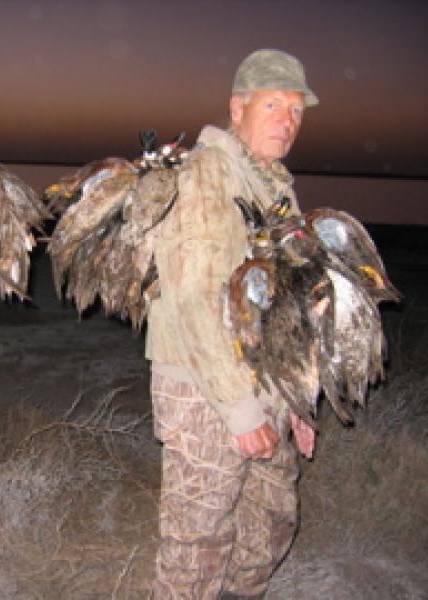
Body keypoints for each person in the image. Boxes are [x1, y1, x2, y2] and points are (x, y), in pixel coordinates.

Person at [145, 49, 319, 599]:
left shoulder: (274, 184)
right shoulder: (208, 174)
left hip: (270, 380)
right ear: (237, 108)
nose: (286, 120)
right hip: (205, 386)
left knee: (269, 524)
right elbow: (194, 300)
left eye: (295, 110)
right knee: (199, 543)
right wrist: (240, 409)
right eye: (273, 105)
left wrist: (299, 399)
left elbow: (289, 300)